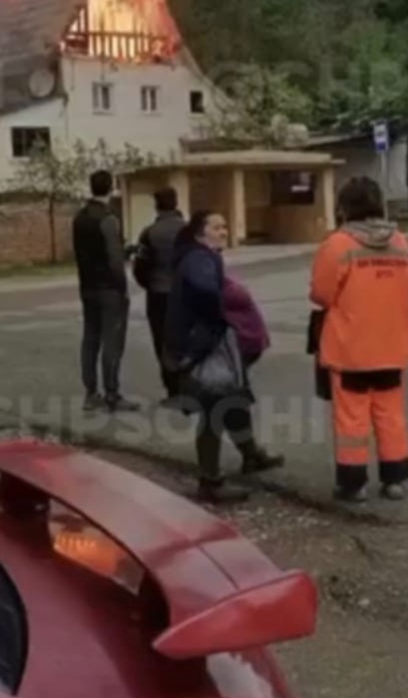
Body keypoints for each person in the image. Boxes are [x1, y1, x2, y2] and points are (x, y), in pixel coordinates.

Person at [309, 175, 408, 503]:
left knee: (352, 418)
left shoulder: (338, 245)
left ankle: (353, 483)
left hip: (350, 347)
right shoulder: (400, 242)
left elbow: (321, 295)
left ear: (345, 207)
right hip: (392, 344)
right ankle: (395, 479)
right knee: (390, 414)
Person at [165, 210, 282, 503]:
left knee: (234, 396)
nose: (223, 231)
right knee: (213, 406)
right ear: (199, 233)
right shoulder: (198, 258)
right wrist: (218, 316)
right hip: (204, 345)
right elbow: (204, 289)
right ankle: (210, 481)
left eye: (225, 226)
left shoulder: (203, 256)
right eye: (216, 227)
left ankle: (251, 454)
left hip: (210, 341)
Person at [72, 170, 136, 412]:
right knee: (112, 341)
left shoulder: (80, 218)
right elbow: (114, 258)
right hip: (109, 288)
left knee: (90, 339)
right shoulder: (108, 218)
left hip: (87, 286)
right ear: (111, 187)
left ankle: (91, 393)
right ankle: (112, 393)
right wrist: (122, 287)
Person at [133, 187, 185, 403]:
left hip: (159, 293)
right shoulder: (190, 231)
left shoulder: (149, 233)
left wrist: (149, 284)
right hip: (186, 294)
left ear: (156, 205)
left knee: (163, 342)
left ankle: (173, 391)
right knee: (187, 340)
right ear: (176, 203)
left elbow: (140, 267)